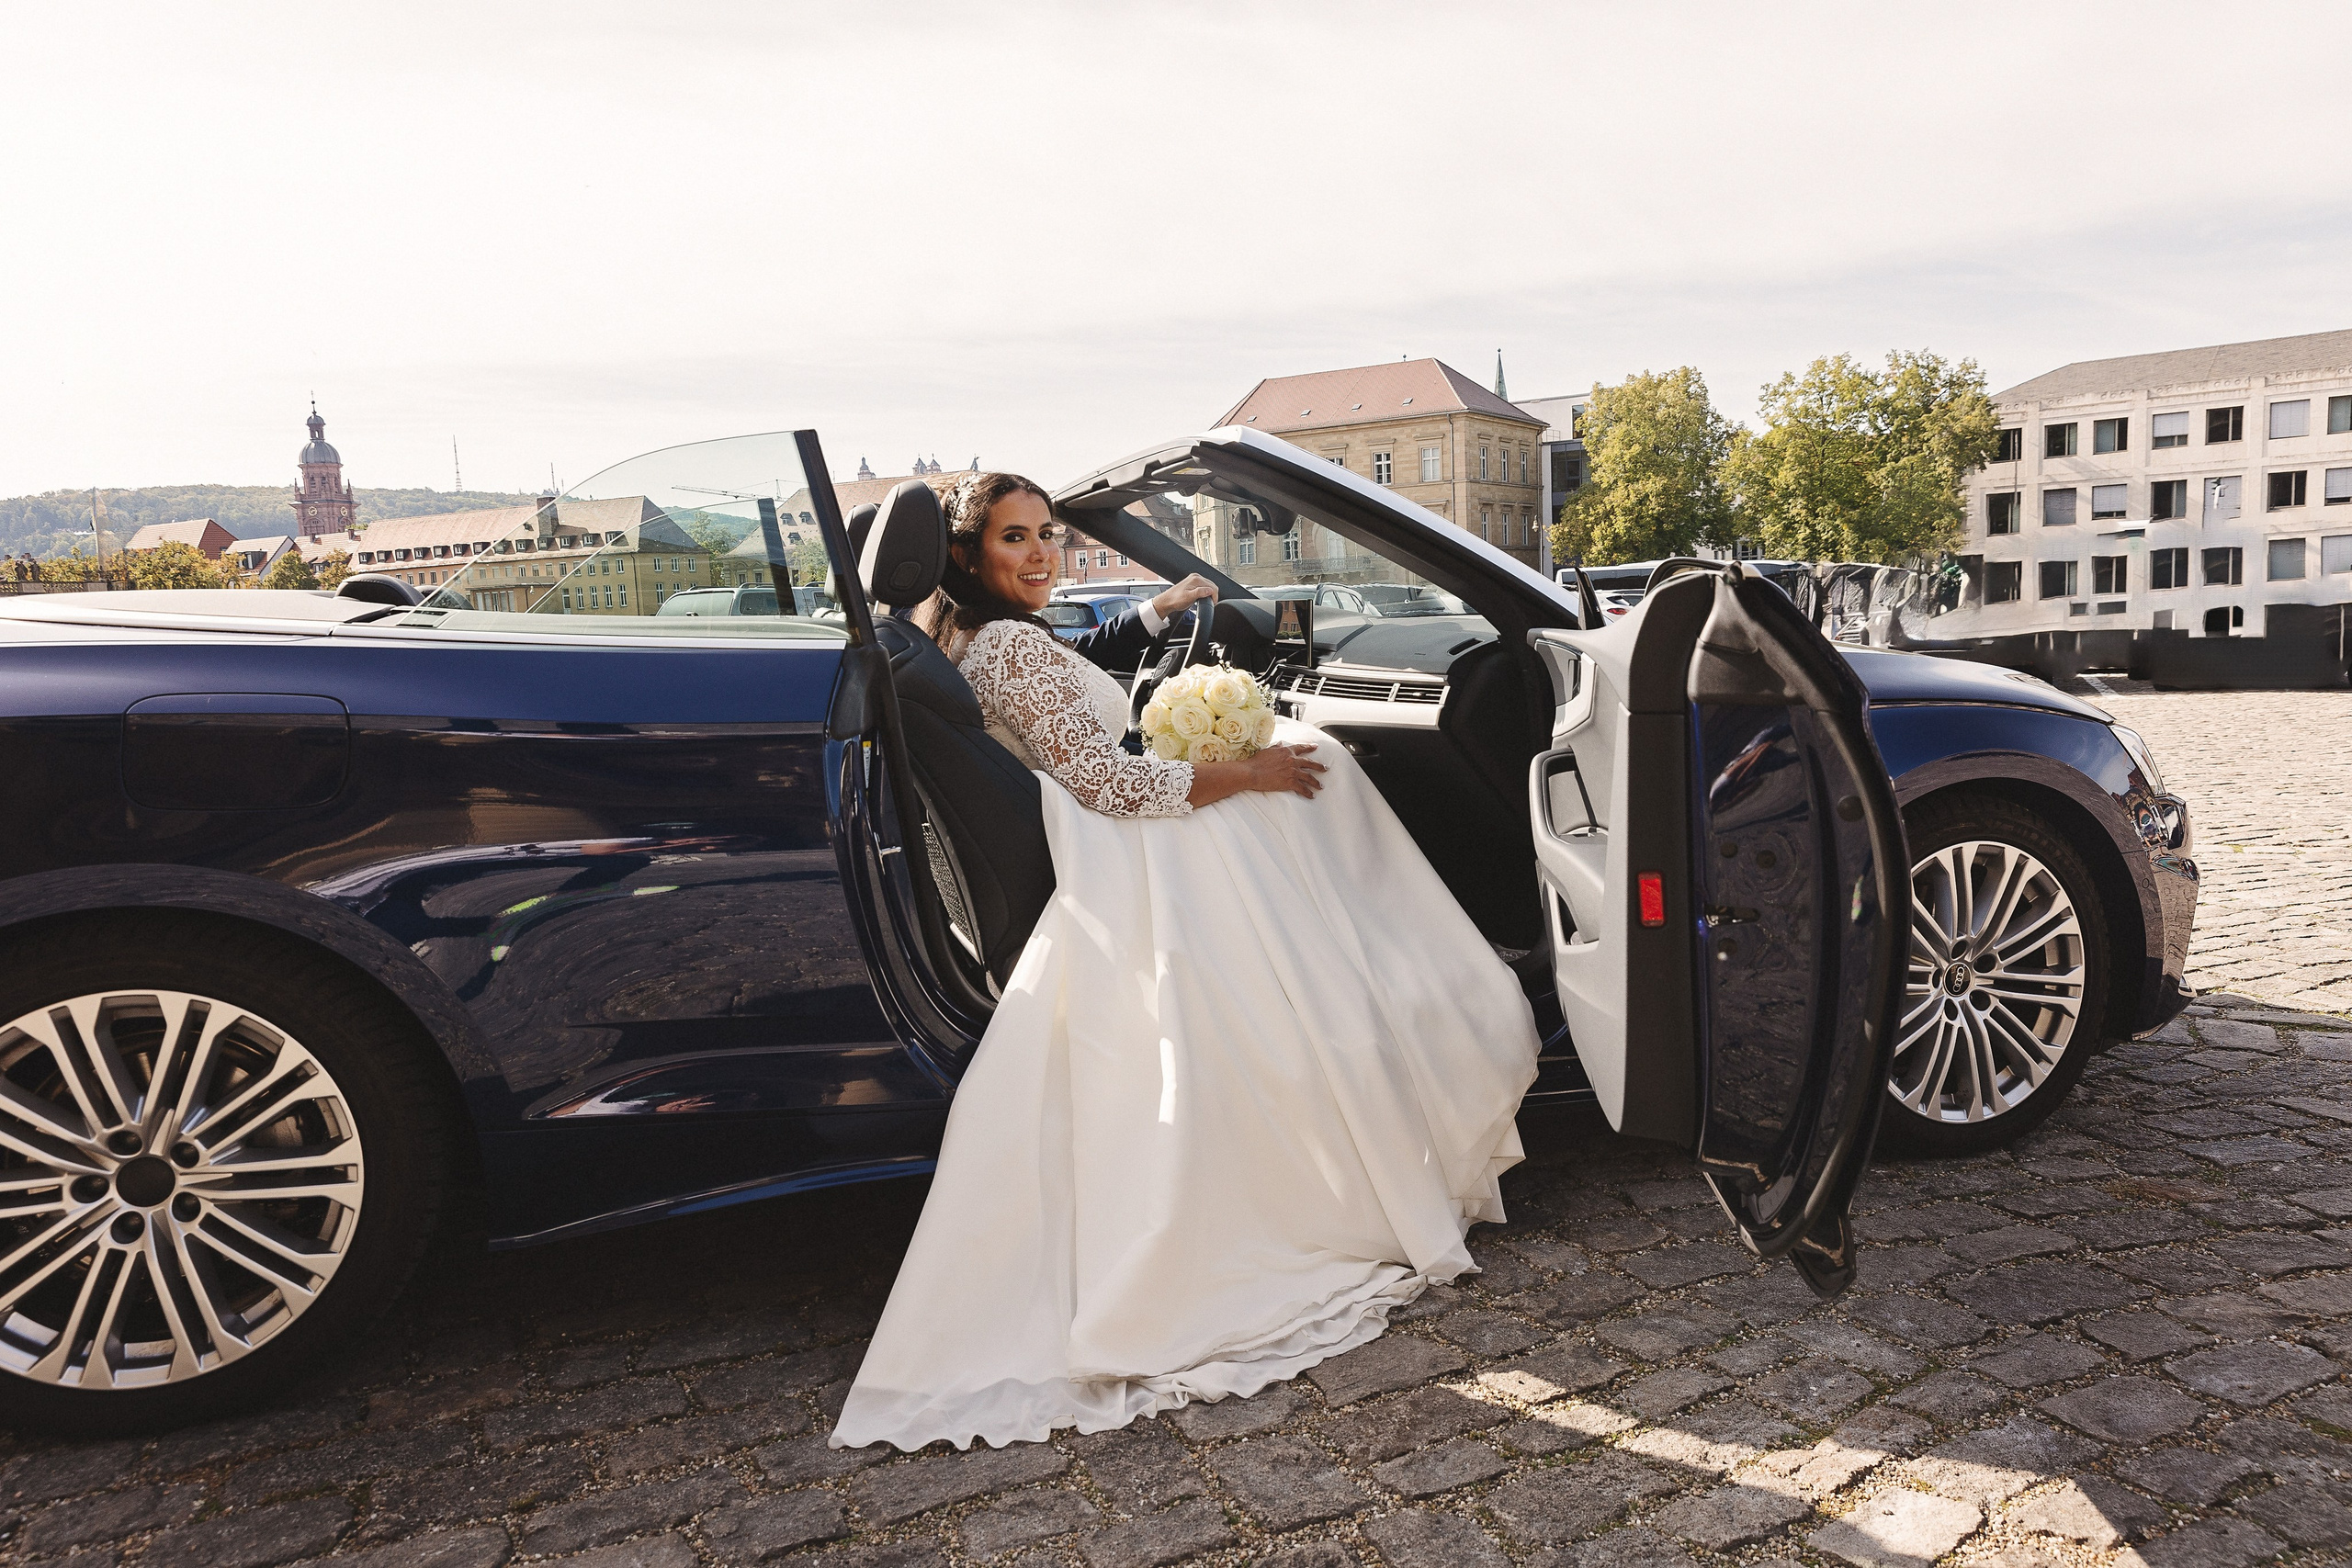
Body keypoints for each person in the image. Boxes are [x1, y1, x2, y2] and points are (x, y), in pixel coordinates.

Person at [830, 471, 1539, 1452]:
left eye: (1046, 536)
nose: (1040, 554)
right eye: (1014, 540)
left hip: (1096, 831)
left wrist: (1168, 668)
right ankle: (1441, 1002)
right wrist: (1246, 769)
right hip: (1114, 836)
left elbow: (1071, 717)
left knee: (1301, 781)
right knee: (1312, 781)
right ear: (965, 554)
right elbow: (1106, 780)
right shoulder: (1007, 645)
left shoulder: (954, 639)